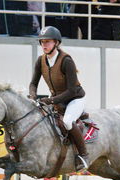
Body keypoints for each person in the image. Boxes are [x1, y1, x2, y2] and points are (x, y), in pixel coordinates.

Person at [29, 26, 88, 171]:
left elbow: (72, 90)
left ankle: (83, 155)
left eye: (47, 42)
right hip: (57, 100)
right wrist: (33, 96)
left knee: (67, 121)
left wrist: (51, 100)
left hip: (74, 99)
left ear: (56, 43)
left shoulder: (66, 60)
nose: (44, 45)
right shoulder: (40, 60)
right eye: (42, 42)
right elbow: (33, 83)